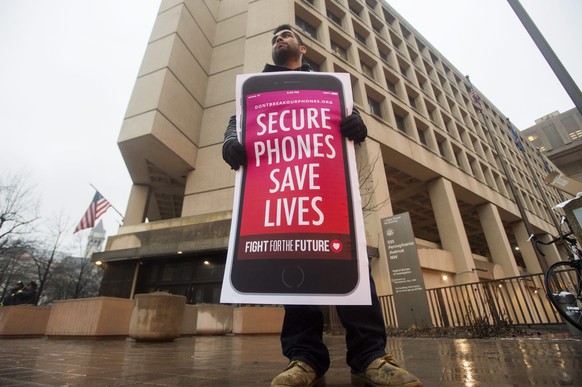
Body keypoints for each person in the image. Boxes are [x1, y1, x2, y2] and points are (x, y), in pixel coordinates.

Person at [222, 24, 422, 387]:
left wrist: (357, 124)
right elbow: (237, 125)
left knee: (352, 272)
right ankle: (305, 359)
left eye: (286, 34)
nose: (279, 38)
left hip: (327, 197)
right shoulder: (254, 91)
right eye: (274, 38)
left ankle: (370, 357)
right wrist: (229, 144)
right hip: (283, 198)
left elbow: (353, 123)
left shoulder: (329, 86)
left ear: (302, 46)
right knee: (296, 277)